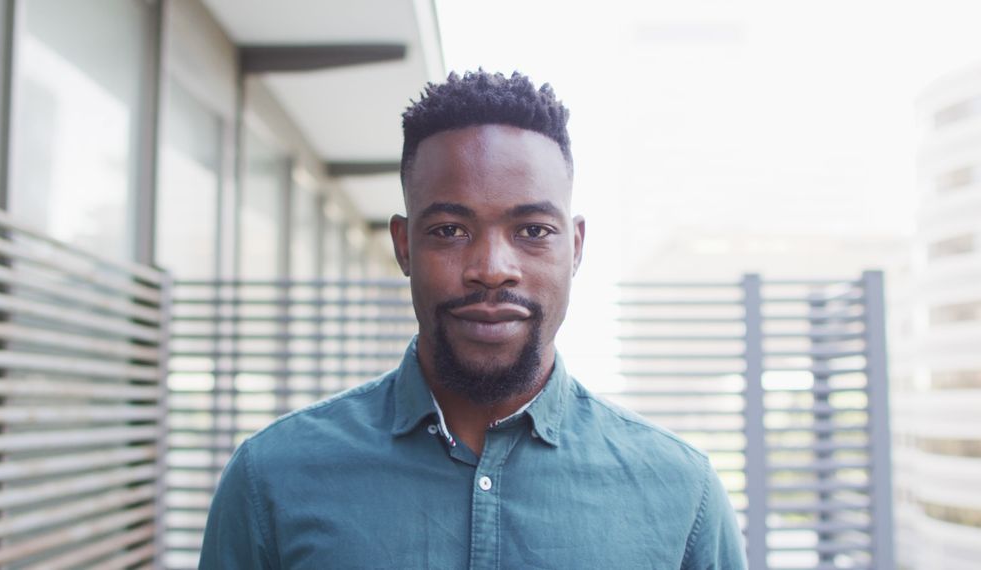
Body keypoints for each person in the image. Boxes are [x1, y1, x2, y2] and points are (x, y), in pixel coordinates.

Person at [200, 70, 746, 569]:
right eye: (450, 231)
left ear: (574, 247)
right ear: (403, 245)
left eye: (532, 230)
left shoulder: (682, 495)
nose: (491, 269)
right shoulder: (271, 480)